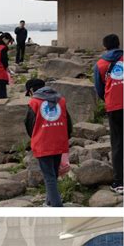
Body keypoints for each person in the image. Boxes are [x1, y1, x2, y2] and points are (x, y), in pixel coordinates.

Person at [25, 78, 72, 207]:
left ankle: (57, 206)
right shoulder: (61, 100)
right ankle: (49, 201)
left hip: (43, 143)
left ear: (32, 90)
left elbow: (29, 124)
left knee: (49, 176)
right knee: (53, 174)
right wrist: (64, 138)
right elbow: (68, 123)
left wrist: (35, 138)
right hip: (59, 141)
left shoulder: (34, 103)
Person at [94, 34, 124, 194]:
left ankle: (120, 182)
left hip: (114, 106)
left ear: (104, 46)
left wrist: (109, 98)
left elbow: (99, 89)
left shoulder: (100, 64)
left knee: (118, 144)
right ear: (119, 44)